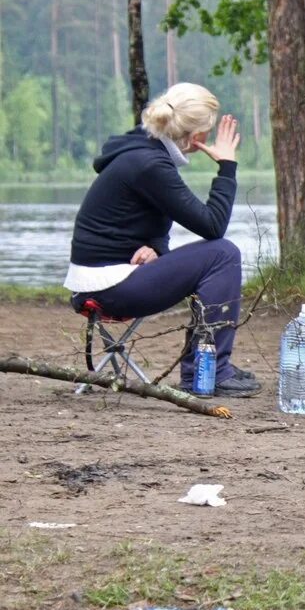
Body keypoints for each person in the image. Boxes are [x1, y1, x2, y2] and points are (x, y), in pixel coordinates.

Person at [64, 82, 261, 397]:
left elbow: (147, 223)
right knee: (222, 254)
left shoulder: (141, 150)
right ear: (196, 137)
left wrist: (155, 248)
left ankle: (202, 366)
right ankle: (211, 369)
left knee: (216, 254)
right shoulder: (150, 164)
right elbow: (213, 226)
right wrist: (227, 166)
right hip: (108, 287)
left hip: (100, 279)